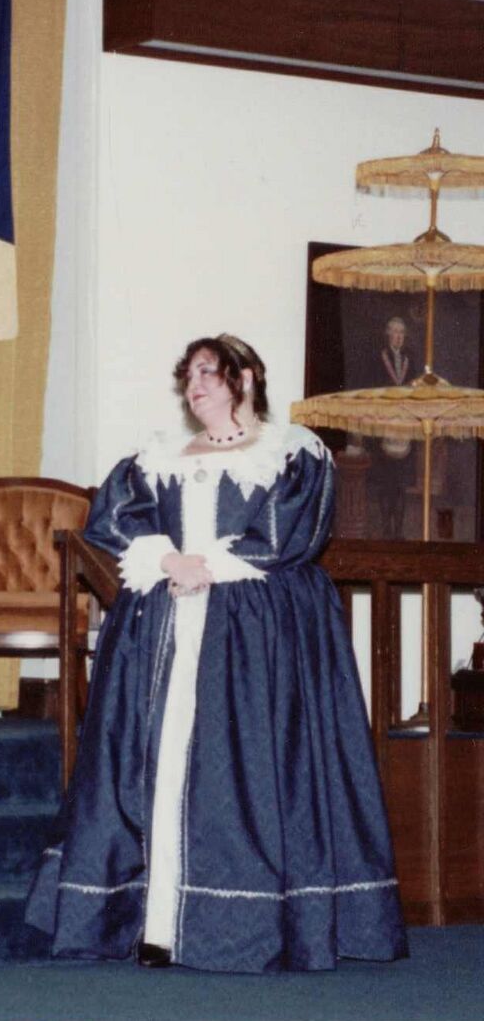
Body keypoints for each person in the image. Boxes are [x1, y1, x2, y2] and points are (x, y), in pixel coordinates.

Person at [24, 334, 407, 972]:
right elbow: (113, 520)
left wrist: (209, 567)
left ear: (245, 379)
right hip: (166, 623)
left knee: (247, 767)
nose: (194, 386)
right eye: (189, 376)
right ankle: (155, 926)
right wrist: (170, 560)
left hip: (258, 632)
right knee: (159, 760)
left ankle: (245, 926)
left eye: (208, 373)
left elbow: (289, 531)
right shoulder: (158, 456)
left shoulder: (294, 452)